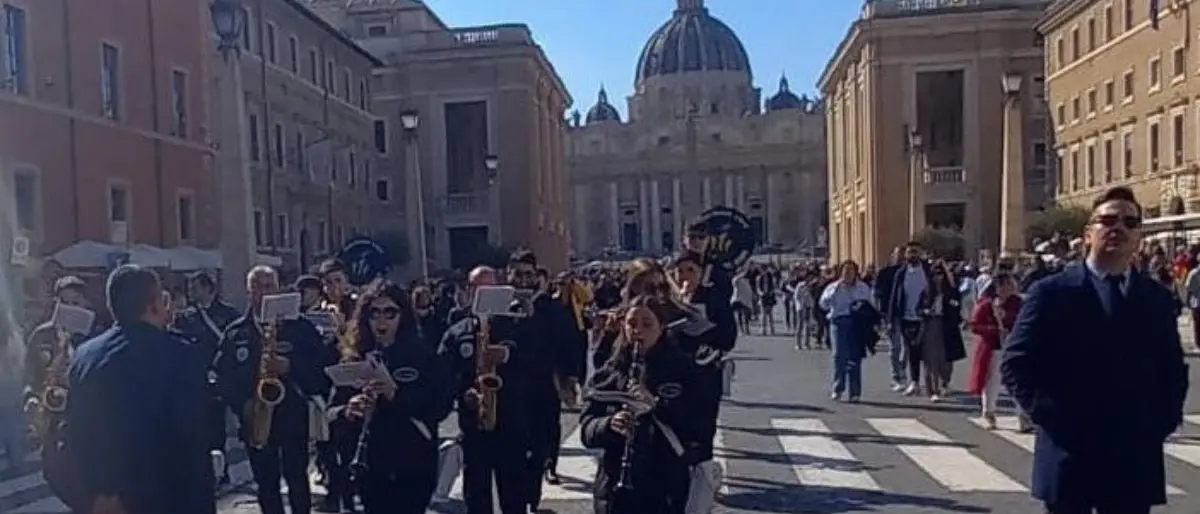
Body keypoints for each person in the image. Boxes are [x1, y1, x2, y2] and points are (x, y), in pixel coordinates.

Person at [1002, 186, 1189, 514]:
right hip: (1069, 450)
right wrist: (1050, 416)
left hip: (1133, 456)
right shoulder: (1051, 293)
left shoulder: (1156, 298)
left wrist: (1161, 423)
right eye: (1108, 220)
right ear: (1088, 234)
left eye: (1130, 223)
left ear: (1138, 238)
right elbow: (1016, 363)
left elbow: (1172, 369)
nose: (1118, 228)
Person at [66, 264, 217, 514]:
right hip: (164, 495)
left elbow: (76, 433)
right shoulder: (180, 355)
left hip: (105, 497)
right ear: (155, 304)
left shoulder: (84, 355)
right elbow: (192, 439)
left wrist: (98, 493)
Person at [328, 279, 455, 513]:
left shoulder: (423, 357)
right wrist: (349, 409)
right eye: (374, 314)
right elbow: (332, 411)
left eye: (390, 313)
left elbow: (441, 406)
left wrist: (395, 393)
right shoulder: (355, 358)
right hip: (369, 465)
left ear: (402, 316)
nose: (381, 321)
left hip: (412, 464)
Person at [211, 266, 331, 514]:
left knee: (297, 479)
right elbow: (221, 376)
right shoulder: (236, 333)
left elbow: (322, 367)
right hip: (255, 419)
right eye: (256, 287)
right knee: (266, 484)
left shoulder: (300, 328)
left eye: (268, 286)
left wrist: (292, 366)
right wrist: (242, 405)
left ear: (278, 289)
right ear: (248, 291)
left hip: (293, 416)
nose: (263, 292)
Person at [581, 295, 701, 514]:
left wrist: (656, 406)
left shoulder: (682, 370)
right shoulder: (608, 373)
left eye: (647, 324)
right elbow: (587, 431)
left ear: (662, 327)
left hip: (663, 484)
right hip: (613, 485)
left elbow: (696, 427)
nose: (638, 331)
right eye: (631, 324)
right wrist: (609, 424)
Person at [967, 272, 1020, 429]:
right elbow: (975, 325)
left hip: (1013, 346)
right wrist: (994, 329)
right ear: (999, 287)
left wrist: (1010, 320)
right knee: (992, 381)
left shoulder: (1017, 303)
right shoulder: (986, 304)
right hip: (993, 347)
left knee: (1018, 381)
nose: (1012, 288)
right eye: (1008, 285)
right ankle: (989, 411)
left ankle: (1023, 415)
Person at [818, 260, 875, 402]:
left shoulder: (863, 288)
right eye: (845, 271)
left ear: (856, 272)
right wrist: (834, 292)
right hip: (838, 322)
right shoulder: (834, 287)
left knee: (855, 358)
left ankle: (855, 392)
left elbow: (870, 304)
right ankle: (838, 388)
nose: (847, 274)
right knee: (838, 356)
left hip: (856, 323)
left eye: (850, 271)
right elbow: (823, 304)